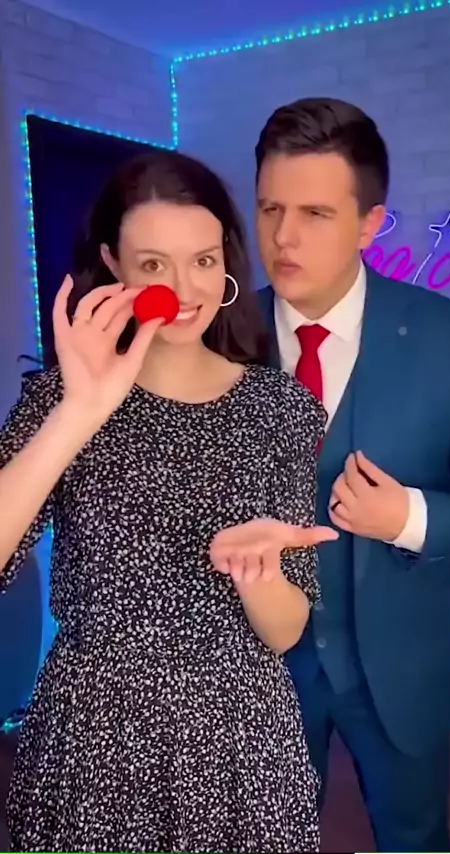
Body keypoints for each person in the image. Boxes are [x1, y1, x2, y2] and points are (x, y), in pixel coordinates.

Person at [0, 149, 338, 853]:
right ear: (113, 265)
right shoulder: (60, 401)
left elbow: (285, 631)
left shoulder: (278, 407)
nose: (184, 289)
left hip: (242, 735)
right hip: (95, 734)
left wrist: (258, 574)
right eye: (153, 264)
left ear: (226, 263)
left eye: (203, 261)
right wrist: (80, 412)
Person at [253, 96, 450, 853]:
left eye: (315, 213)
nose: (283, 237)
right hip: (253, 669)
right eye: (270, 208)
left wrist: (411, 517)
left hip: (400, 666)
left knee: (414, 839)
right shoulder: (223, 338)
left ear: (369, 224)